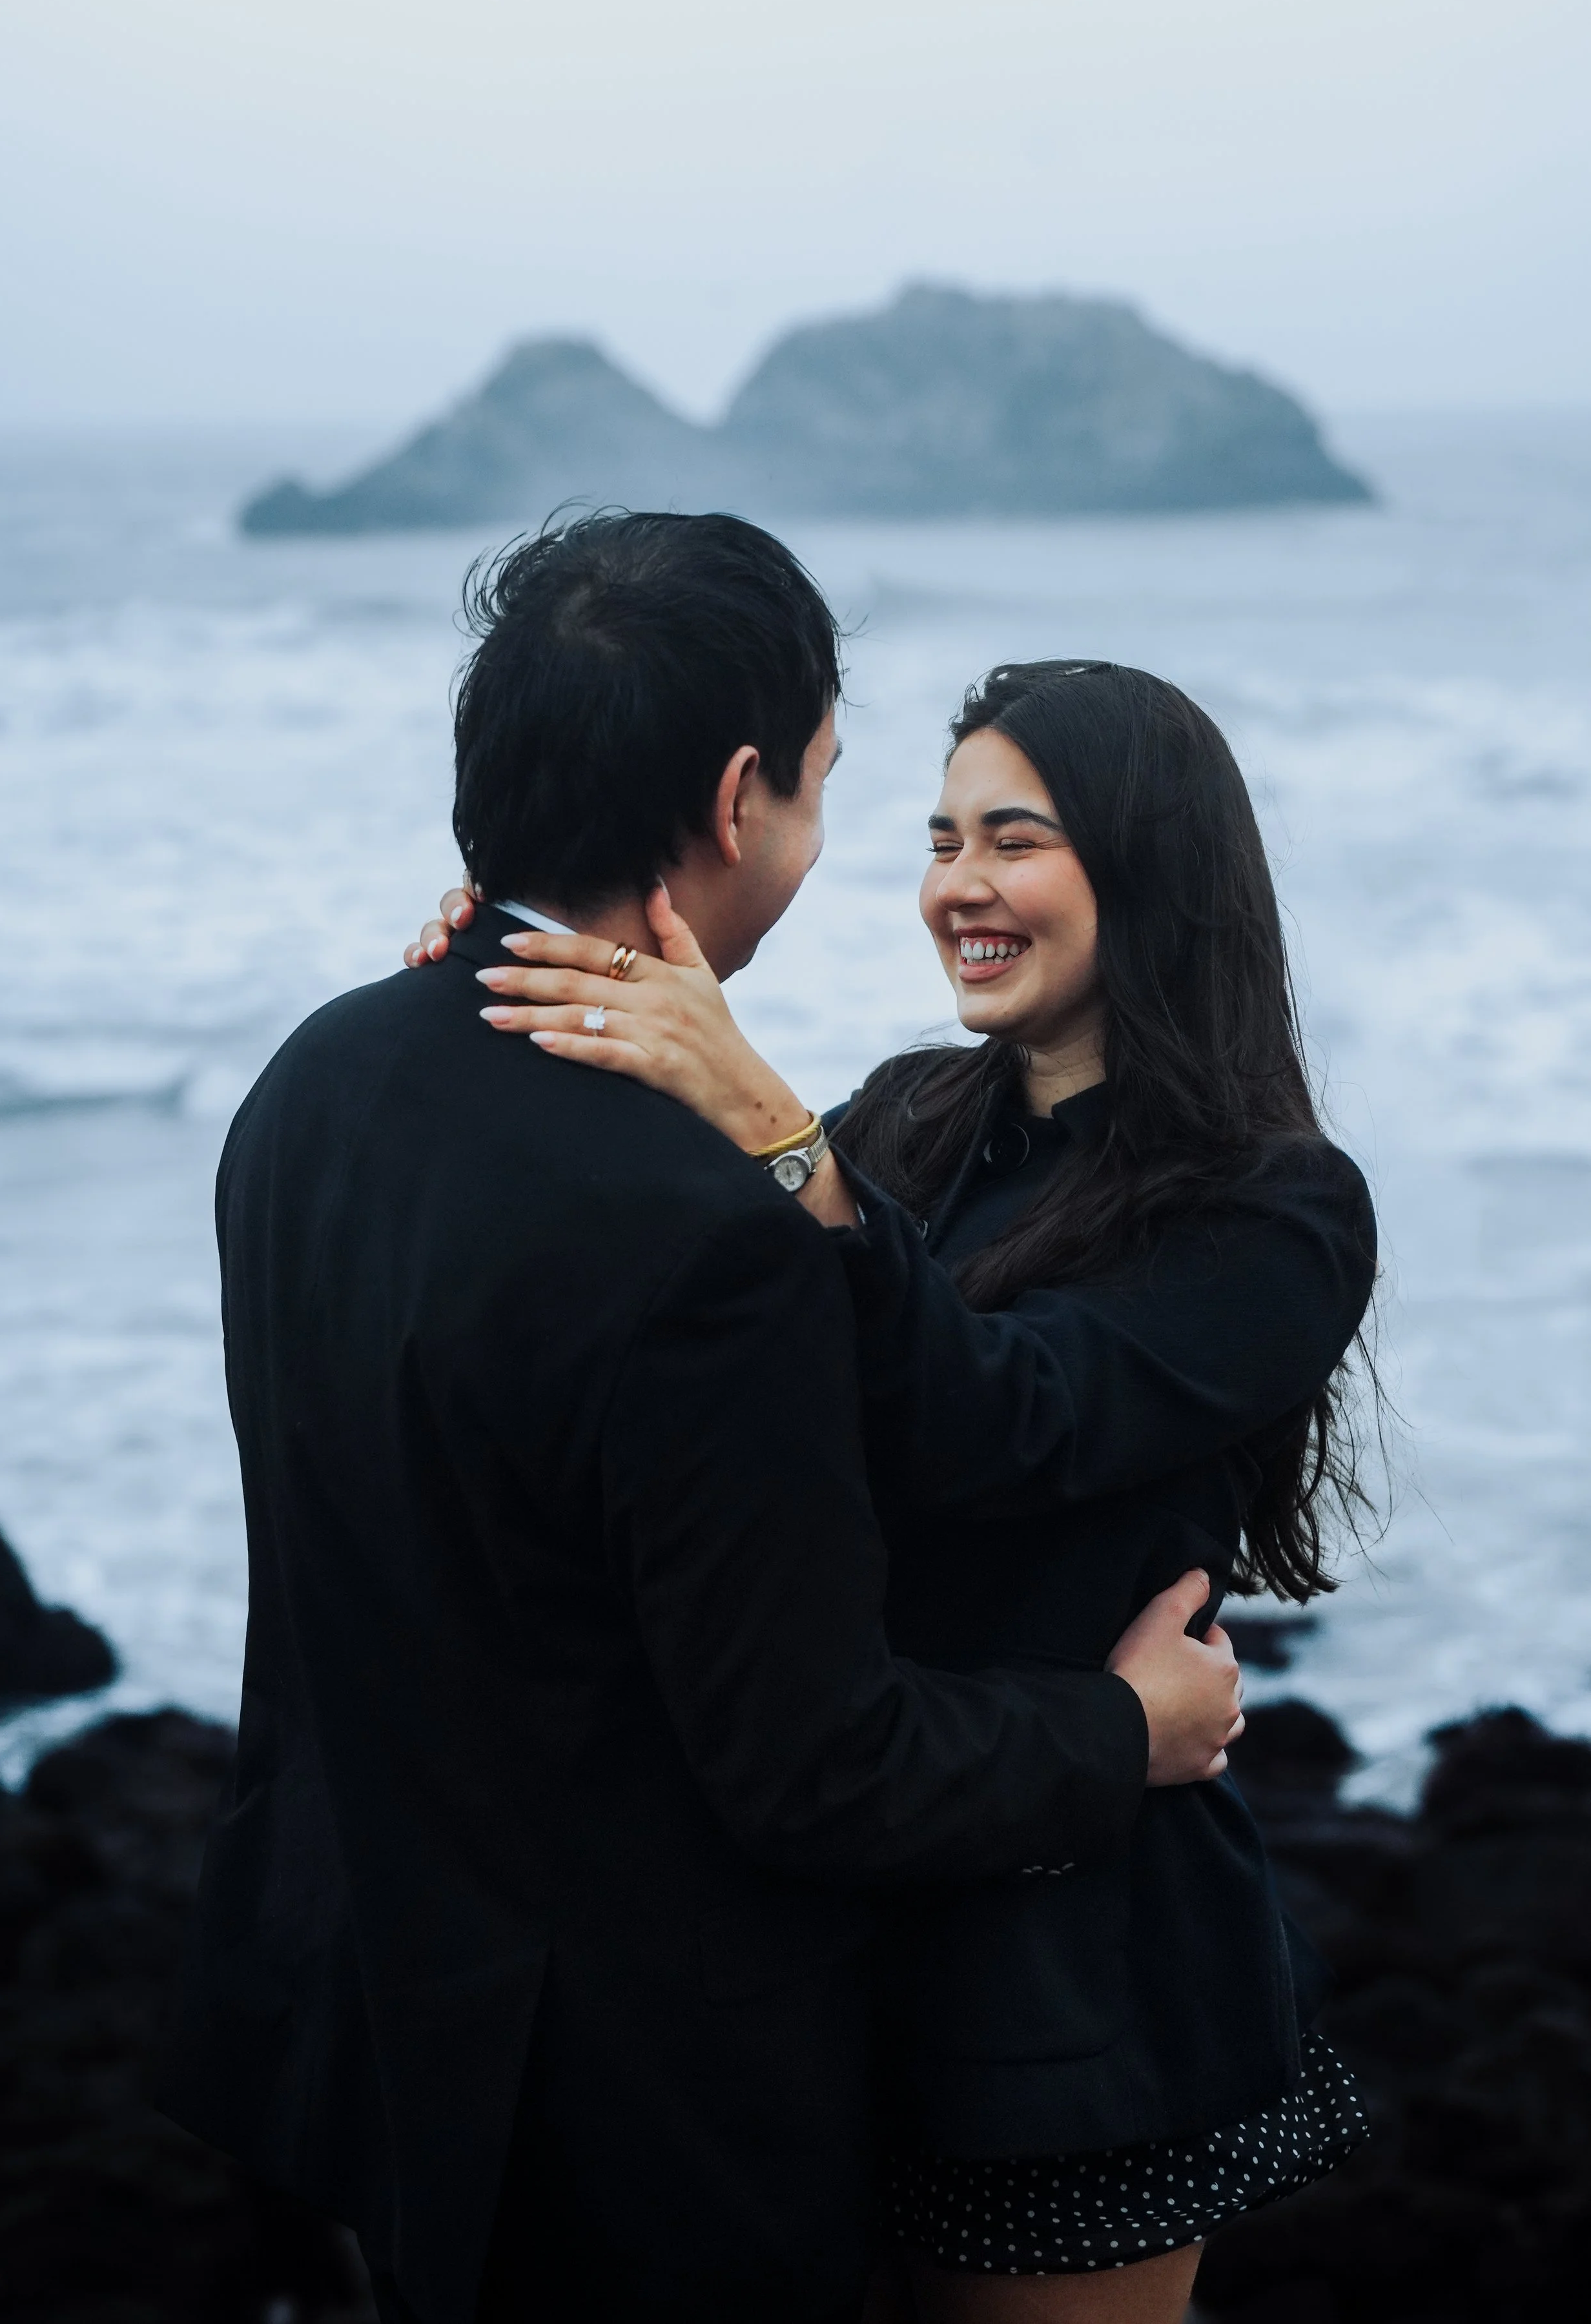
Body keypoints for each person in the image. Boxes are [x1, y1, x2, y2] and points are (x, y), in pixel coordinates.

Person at [158, 521, 1244, 2324]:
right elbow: (814, 1762)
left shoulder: (312, 1082)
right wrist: (1118, 1725)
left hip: (367, 2015)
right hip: (627, 2114)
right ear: (738, 795)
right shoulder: (702, 1234)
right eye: (836, 793)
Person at [419, 656, 1379, 2323]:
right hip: (820, 1904)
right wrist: (536, 995)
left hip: (1067, 1961)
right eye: (938, 837)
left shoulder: (1271, 1206)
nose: (956, 887)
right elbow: (713, 1350)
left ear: (1149, 865)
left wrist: (771, 1127)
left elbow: (996, 1422)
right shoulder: (911, 1114)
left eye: (1014, 839)